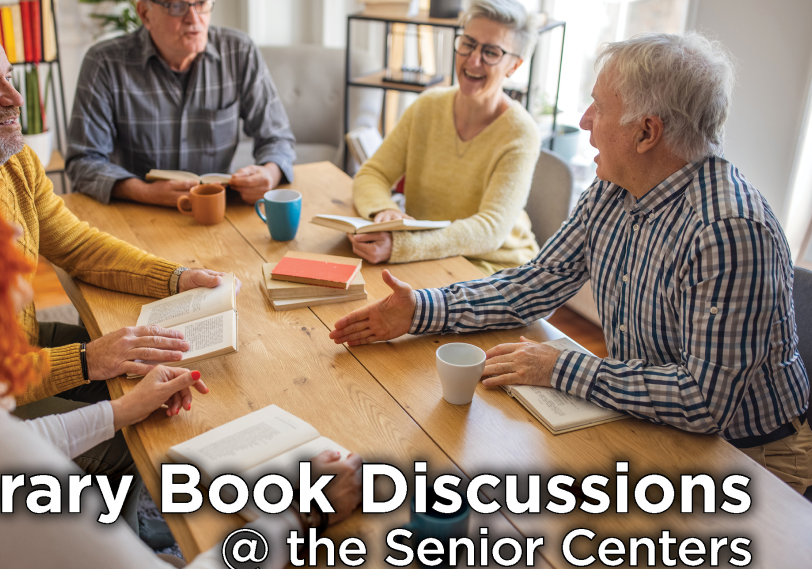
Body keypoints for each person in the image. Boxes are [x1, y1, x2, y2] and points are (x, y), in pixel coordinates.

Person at [0, 139, 363, 568]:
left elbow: (14, 442)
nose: (19, 262)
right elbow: (10, 462)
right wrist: (294, 513)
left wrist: (121, 411)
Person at [330, 32, 812, 492]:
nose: (583, 120)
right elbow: (537, 282)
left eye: (599, 107)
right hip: (659, 425)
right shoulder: (616, 186)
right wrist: (422, 309)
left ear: (647, 132)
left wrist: (562, 367)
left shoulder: (728, 230)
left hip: (751, 458)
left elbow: (704, 402)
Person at [0, 23, 238, 408]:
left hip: (22, 350)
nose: (15, 98)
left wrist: (176, 278)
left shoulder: (12, 159)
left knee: (165, 364)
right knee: (146, 444)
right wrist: (87, 360)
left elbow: (75, 244)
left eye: (8, 77)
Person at [348, 0, 541, 275]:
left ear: (514, 66)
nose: (473, 60)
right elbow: (372, 174)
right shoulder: (427, 106)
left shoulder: (521, 133)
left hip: (497, 267)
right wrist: (385, 211)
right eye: (468, 43)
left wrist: (403, 246)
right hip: (429, 254)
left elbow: (490, 229)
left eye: (491, 52)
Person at [66, 0, 296, 207]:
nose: (194, 19)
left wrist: (269, 173)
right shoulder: (104, 63)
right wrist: (146, 193)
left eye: (202, 3)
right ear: (145, 13)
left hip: (216, 211)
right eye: (177, 6)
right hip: (136, 212)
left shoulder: (239, 51)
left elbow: (278, 138)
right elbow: (83, 161)